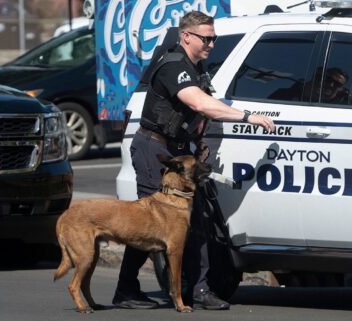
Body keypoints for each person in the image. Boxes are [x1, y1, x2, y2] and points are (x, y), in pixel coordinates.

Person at [112, 11, 275, 311]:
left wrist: (202, 144)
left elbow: (201, 114)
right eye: (206, 38)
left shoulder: (198, 68)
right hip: (153, 151)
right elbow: (200, 103)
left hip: (178, 154)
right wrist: (248, 117)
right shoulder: (174, 66)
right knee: (149, 224)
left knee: (197, 220)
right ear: (186, 36)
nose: (211, 44)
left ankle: (198, 289)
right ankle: (126, 289)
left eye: (214, 39)